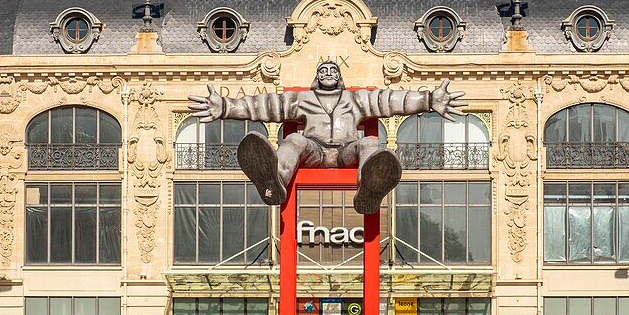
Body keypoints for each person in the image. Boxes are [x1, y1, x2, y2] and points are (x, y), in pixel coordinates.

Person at [188, 61, 466, 214]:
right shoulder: (302, 100)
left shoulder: (355, 100)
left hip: (346, 152)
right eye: (323, 71)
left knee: (370, 143)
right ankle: (275, 179)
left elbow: (390, 100)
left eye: (333, 71)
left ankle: (369, 186)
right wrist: (225, 107)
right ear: (316, 78)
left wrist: (428, 99)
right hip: (315, 152)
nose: (328, 74)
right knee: (293, 141)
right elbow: (266, 106)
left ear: (341, 77)